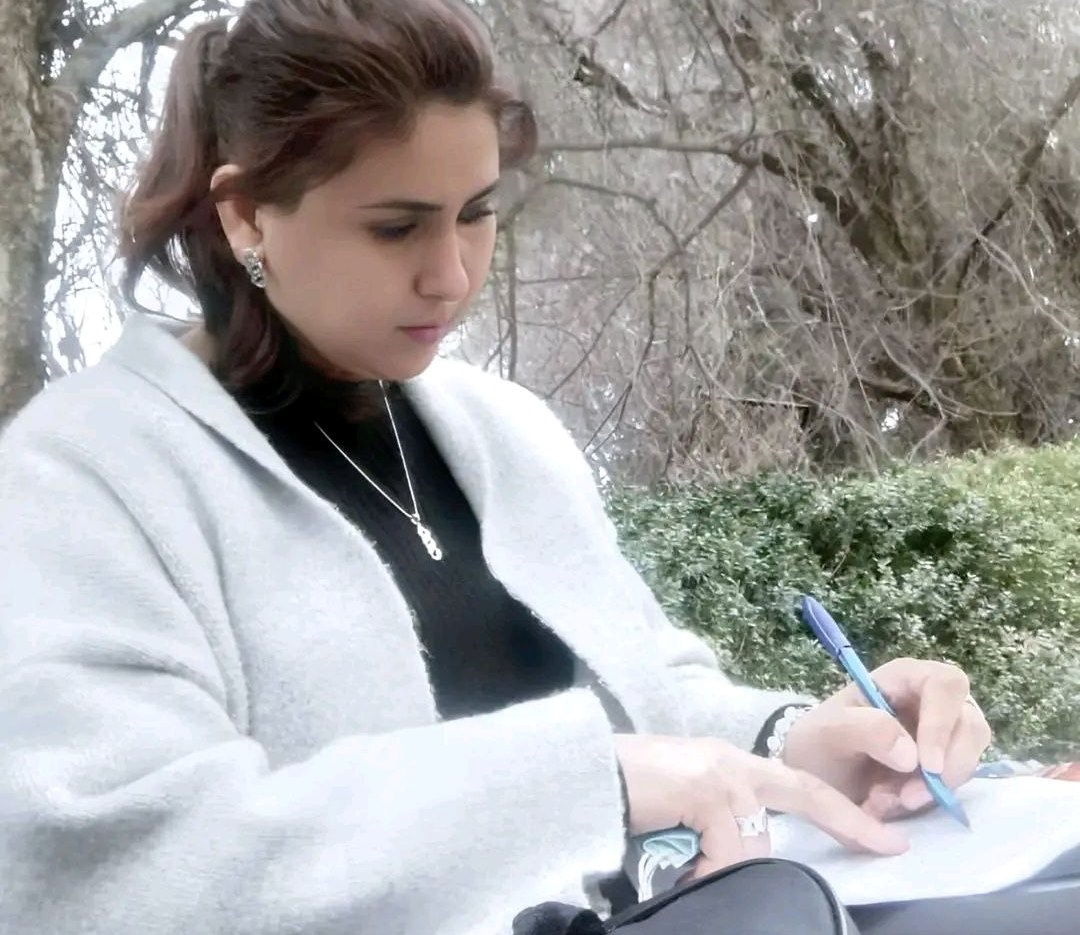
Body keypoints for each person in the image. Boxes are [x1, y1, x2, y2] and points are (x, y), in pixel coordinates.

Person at [0, 1, 992, 933]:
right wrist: (584, 785)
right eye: (396, 226)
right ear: (247, 215)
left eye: (476, 212)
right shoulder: (85, 476)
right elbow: (108, 864)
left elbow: (648, 695)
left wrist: (798, 744)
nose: (452, 274)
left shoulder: (505, 430)